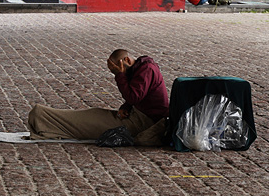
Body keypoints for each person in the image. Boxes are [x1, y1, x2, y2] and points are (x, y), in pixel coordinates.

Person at [26, 49, 170, 145]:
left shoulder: (147, 69)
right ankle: (41, 117)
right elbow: (137, 95)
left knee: (85, 122)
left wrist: (119, 75)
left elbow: (133, 96)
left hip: (146, 123)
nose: (118, 73)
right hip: (136, 116)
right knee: (93, 114)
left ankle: (41, 117)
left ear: (126, 60)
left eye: (117, 69)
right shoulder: (140, 68)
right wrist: (125, 107)